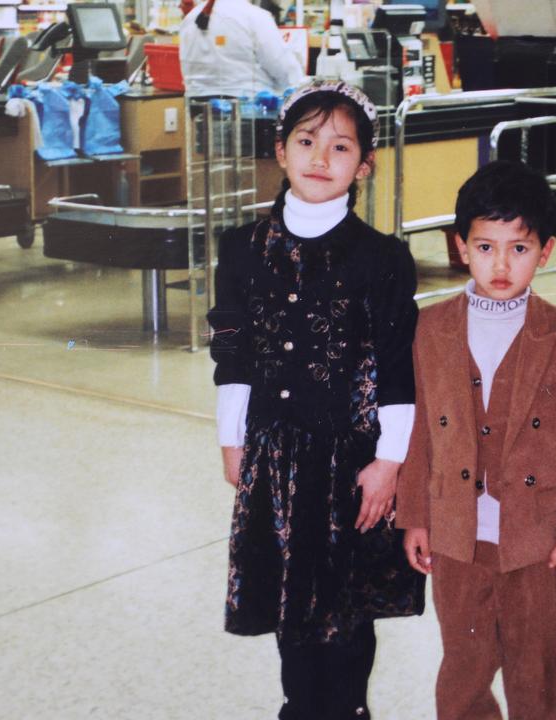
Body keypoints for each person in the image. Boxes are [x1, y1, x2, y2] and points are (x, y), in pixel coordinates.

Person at [207, 80, 424, 720]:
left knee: (346, 605)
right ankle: (300, 708)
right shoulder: (241, 249)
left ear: (365, 164)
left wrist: (390, 460)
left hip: (353, 460)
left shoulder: (382, 258)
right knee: (288, 597)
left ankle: (348, 710)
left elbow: (395, 366)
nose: (320, 158)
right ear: (281, 150)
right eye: (306, 141)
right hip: (275, 452)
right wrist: (232, 439)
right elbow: (233, 349)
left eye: (339, 146)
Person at [396, 160, 556, 720]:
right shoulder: (429, 329)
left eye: (520, 247)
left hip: (535, 532)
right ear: (460, 246)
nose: (502, 264)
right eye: (486, 247)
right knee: (463, 658)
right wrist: (415, 514)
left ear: (547, 251)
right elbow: (419, 431)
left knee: (536, 661)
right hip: (456, 528)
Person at [179, 0, 305, 98]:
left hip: (198, 113)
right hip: (249, 114)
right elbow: (284, 69)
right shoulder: (254, 17)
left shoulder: (190, 19)